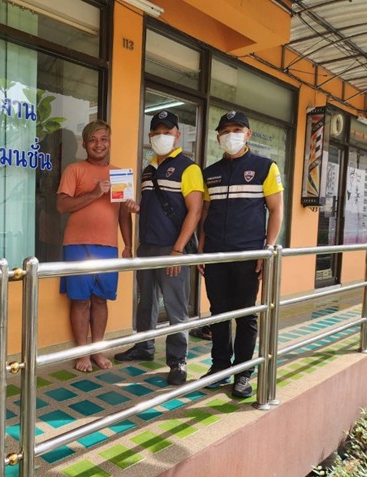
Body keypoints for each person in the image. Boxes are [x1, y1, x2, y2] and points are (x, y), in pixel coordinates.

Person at [114, 111, 203, 386]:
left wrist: (178, 250)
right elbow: (153, 207)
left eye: (168, 132)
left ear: (177, 135)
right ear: (150, 136)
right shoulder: (147, 170)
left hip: (172, 248)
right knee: (146, 301)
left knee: (175, 306)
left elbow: (195, 211)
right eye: (157, 132)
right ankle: (144, 346)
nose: (162, 136)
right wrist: (135, 208)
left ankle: (178, 361)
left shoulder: (189, 168)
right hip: (148, 247)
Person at [198, 111, 284, 398]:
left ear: (248, 134)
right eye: (225, 131)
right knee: (219, 313)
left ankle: (243, 373)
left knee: (246, 315)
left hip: (249, 255)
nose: (231, 135)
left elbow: (276, 210)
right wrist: (202, 247)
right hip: (215, 255)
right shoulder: (210, 172)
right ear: (218, 137)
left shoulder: (265, 167)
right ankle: (220, 367)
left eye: (237, 129)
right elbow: (206, 212)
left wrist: (268, 248)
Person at [57, 120, 133, 372]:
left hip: (108, 247)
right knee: (80, 301)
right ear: (85, 144)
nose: (98, 145)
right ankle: (82, 354)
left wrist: (128, 245)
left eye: (103, 139)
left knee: (101, 300)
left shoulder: (120, 174)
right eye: (93, 140)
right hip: (77, 245)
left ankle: (97, 351)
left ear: (109, 142)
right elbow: (62, 206)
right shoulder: (74, 170)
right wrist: (94, 193)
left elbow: (124, 215)